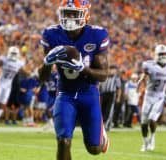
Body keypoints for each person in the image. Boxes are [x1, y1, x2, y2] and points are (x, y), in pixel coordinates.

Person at [38, 0, 110, 159]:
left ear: (85, 15)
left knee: (94, 149)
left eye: (74, 14)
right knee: (63, 140)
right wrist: (47, 62)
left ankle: (100, 134)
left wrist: (82, 69)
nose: (69, 18)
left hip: (88, 94)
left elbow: (104, 75)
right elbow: (42, 77)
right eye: (66, 13)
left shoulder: (97, 35)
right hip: (65, 94)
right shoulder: (51, 34)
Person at [138, 44, 166, 152]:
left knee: (152, 119)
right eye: (161, 54)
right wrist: (141, 79)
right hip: (148, 95)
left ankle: (152, 138)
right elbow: (145, 73)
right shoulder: (149, 65)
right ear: (156, 55)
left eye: (165, 54)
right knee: (143, 122)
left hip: (160, 96)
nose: (163, 56)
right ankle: (145, 142)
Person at [0, 46, 26, 129]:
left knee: (2, 104)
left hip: (8, 85)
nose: (13, 55)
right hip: (0, 83)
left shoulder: (19, 63)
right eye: (12, 53)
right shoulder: (4, 60)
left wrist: (32, 74)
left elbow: (24, 71)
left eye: (15, 53)